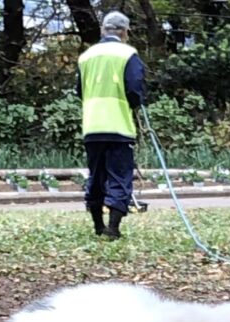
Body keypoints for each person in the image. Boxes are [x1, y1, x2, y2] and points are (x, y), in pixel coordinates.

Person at [77, 12, 145, 240]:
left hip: (92, 125)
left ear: (103, 30)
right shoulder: (128, 54)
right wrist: (136, 104)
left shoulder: (86, 56)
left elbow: (79, 90)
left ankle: (98, 225)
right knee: (120, 175)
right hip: (119, 126)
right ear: (125, 32)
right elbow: (135, 88)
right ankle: (113, 228)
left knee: (96, 176)